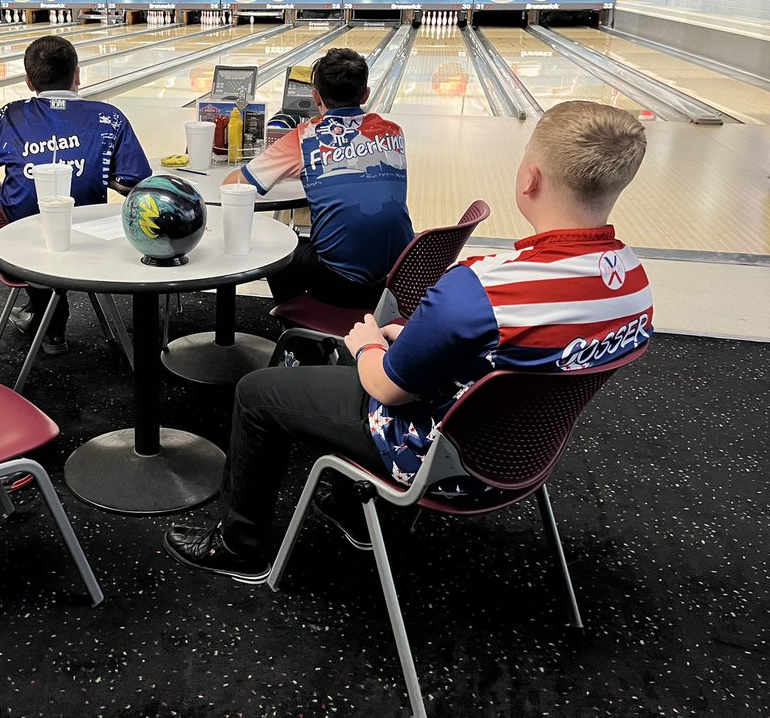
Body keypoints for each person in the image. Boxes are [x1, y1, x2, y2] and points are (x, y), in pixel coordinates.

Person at [165, 100, 654, 582]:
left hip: (430, 455)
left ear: (530, 179)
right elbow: (514, 356)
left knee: (259, 391)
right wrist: (410, 338)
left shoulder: (482, 288)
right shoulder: (635, 283)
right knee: (354, 357)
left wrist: (369, 345)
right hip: (518, 458)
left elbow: (387, 389)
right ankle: (352, 511)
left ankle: (239, 546)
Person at [0, 34, 152, 354]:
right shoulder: (108, 117)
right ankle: (49, 319)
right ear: (78, 75)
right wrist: (96, 172)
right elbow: (134, 184)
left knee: (35, 224)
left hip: (19, 249)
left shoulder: (8, 116)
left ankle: (48, 321)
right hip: (90, 248)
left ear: (29, 82)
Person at [224, 47, 413, 311]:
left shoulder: (305, 137)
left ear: (315, 97)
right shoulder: (393, 132)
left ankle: (302, 345)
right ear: (366, 94)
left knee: (276, 249)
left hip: (342, 284)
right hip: (401, 280)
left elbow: (236, 184)